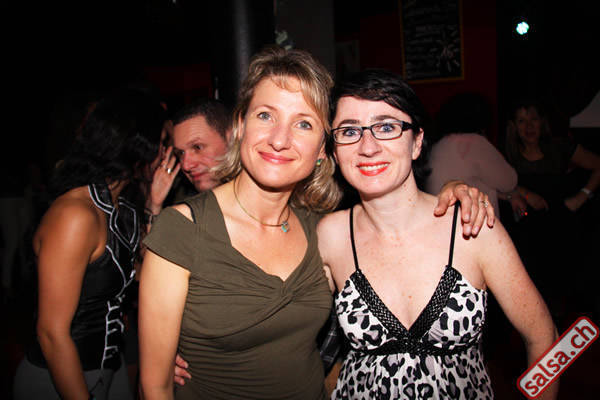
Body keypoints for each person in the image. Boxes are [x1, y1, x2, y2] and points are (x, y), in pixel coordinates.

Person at [140, 47, 493, 400]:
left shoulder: (322, 228)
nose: (279, 139)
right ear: (240, 125)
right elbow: (155, 387)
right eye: (265, 115)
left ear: (323, 149)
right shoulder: (183, 229)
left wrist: (452, 191)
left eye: (304, 124)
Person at [317, 69, 557, 399]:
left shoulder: (471, 227)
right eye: (349, 131)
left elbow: (544, 335)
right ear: (334, 151)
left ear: (416, 142)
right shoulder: (330, 236)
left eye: (386, 127)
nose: (367, 147)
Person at [12, 88, 170, 400]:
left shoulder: (121, 207)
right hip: (59, 378)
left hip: (109, 368)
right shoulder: (76, 215)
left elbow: (139, 275)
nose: (168, 155)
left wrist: (154, 206)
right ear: (138, 146)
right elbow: (51, 333)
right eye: (162, 144)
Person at [427, 92, 520, 217]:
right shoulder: (474, 142)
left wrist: (509, 196)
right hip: (474, 222)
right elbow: (509, 181)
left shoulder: (437, 146)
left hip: (442, 220)